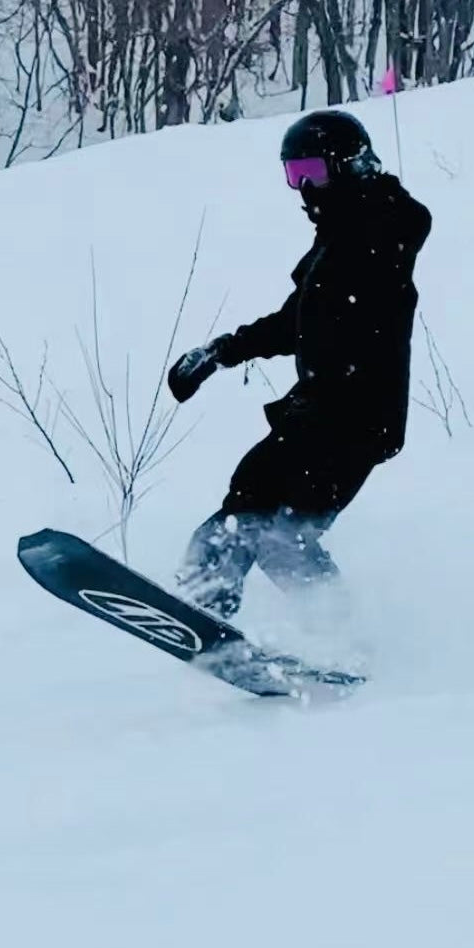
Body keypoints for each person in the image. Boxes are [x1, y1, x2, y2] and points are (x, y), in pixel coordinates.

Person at [167, 109, 432, 620]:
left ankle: (321, 634)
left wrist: (370, 198)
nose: (304, 188)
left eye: (312, 171)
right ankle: (223, 610)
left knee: (276, 525)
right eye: (294, 174)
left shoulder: (379, 232)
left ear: (349, 166)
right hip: (320, 410)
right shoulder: (337, 239)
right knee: (258, 510)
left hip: (358, 418)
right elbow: (297, 322)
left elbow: (397, 232)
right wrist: (223, 351)